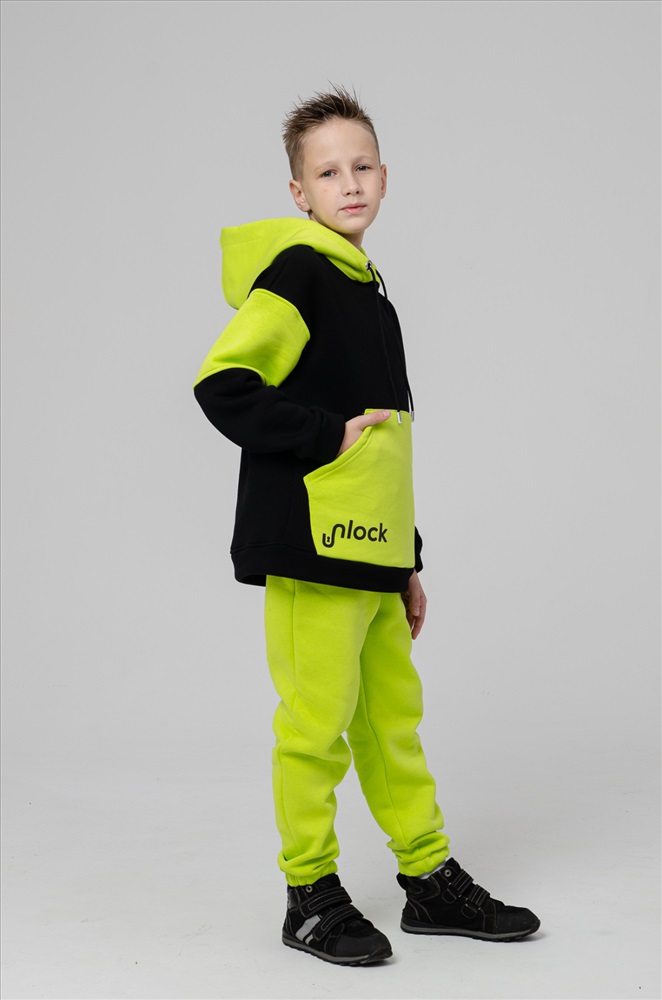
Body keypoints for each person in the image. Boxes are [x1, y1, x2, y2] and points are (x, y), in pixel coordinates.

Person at [194, 86, 540, 966]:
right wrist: (322, 436)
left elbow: (387, 446)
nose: (348, 183)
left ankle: (428, 879)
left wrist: (405, 561)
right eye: (327, 172)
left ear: (385, 176)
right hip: (312, 544)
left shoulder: (369, 295)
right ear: (298, 192)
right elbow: (223, 382)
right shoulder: (299, 274)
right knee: (315, 726)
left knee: (392, 722)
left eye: (361, 166)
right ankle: (309, 893)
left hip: (370, 551)